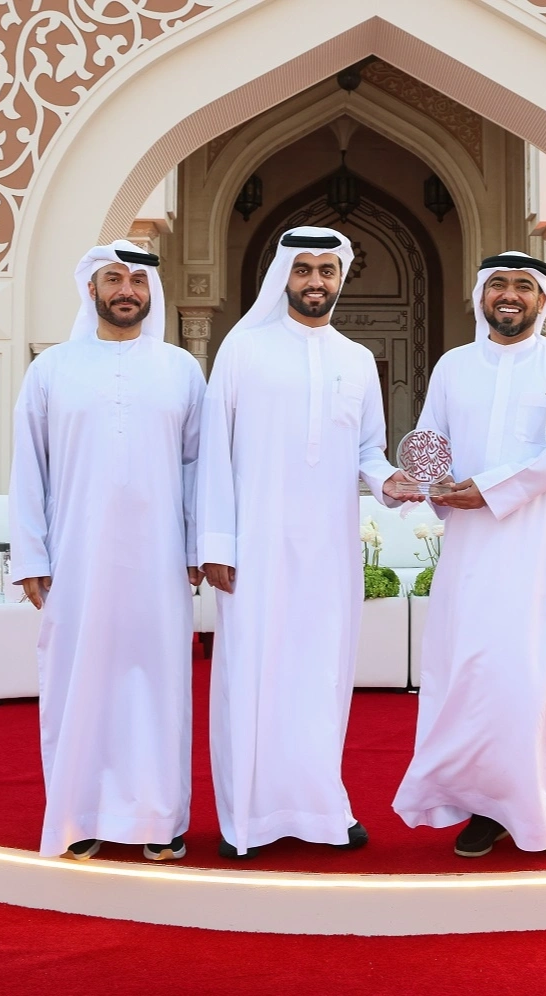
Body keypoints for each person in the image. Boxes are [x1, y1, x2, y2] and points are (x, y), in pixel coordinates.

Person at [197, 226, 423, 859]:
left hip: (329, 550)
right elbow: (214, 451)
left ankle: (321, 806)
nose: (316, 281)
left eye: (327, 270)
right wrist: (216, 542)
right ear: (284, 277)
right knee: (252, 674)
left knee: (322, 676)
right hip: (256, 547)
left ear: (340, 279)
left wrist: (389, 481)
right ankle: (247, 819)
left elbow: (367, 452)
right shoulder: (243, 350)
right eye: (304, 270)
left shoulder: (355, 359)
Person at [392, 251, 546, 859]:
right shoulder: (455, 366)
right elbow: (431, 441)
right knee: (472, 677)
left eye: (523, 288)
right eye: (499, 286)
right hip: (471, 553)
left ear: (543, 299)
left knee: (535, 679)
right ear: (481, 295)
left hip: (541, 550)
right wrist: (421, 482)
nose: (510, 296)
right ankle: (481, 809)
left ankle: (538, 808)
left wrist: (492, 487)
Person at [8, 240, 206, 863]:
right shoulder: (52, 369)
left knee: (158, 683)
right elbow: (28, 470)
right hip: (77, 557)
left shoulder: (180, 368)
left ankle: (158, 817)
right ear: (91, 290)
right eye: (114, 279)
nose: (127, 290)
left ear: (152, 292)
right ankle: (80, 813)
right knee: (79, 681)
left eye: (138, 280)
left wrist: (200, 545)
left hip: (160, 560)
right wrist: (32, 557)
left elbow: (202, 467)